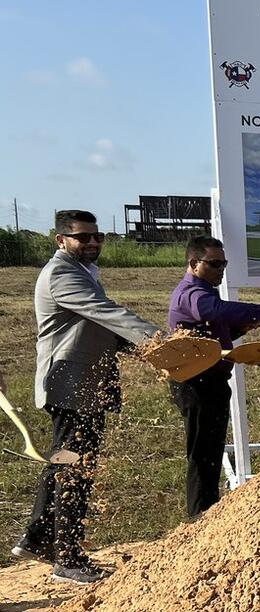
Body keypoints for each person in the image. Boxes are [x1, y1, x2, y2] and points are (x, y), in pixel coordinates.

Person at [13, 210, 160, 585]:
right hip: (70, 387)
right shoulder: (62, 274)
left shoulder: (82, 273)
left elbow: (98, 327)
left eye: (97, 237)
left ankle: (38, 538)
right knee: (75, 469)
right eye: (83, 237)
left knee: (65, 462)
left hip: (84, 387)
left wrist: (143, 351)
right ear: (60, 239)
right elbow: (104, 312)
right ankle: (68, 558)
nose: (93, 243)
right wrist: (159, 339)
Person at [168, 236, 260, 517]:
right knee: (203, 453)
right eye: (214, 264)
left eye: (223, 263)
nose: (221, 269)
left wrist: (241, 331)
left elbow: (213, 332)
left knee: (211, 450)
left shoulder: (205, 290)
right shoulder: (193, 292)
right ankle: (198, 516)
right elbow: (214, 311)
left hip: (211, 381)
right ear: (193, 263)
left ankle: (207, 511)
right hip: (197, 384)